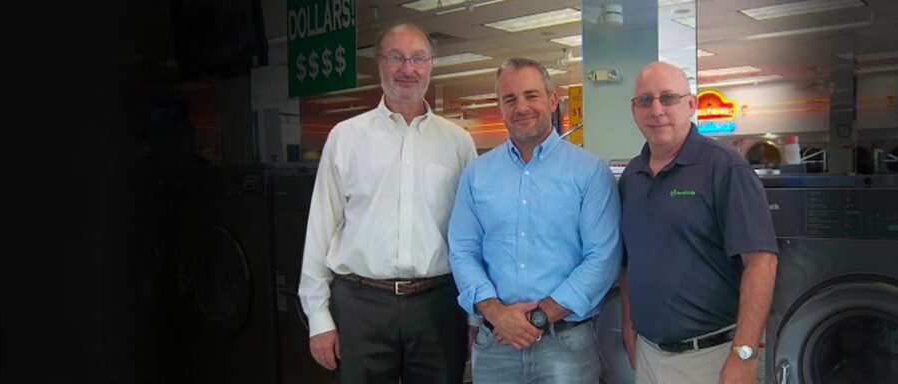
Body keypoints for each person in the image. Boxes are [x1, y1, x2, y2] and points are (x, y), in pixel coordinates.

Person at [298, 23, 477, 384]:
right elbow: (320, 229)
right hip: (360, 305)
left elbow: (473, 236)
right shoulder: (345, 138)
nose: (406, 69)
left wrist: (473, 317)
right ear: (379, 64)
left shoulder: (459, 143)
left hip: (438, 306)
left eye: (417, 58)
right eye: (395, 57)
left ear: (431, 65)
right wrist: (318, 317)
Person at [448, 57, 621, 383]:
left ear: (553, 100)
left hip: (566, 344)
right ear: (500, 107)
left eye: (531, 95)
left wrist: (539, 316)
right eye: (509, 99)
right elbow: (462, 251)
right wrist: (497, 314)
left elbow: (603, 259)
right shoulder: (477, 175)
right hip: (495, 342)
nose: (521, 107)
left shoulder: (589, 172)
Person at [618, 61, 778, 384]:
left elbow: (761, 262)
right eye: (645, 100)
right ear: (634, 111)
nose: (657, 109)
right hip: (649, 355)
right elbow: (629, 263)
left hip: (712, 358)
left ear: (691, 105)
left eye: (669, 98)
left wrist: (744, 354)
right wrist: (628, 325)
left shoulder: (725, 169)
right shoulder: (631, 177)